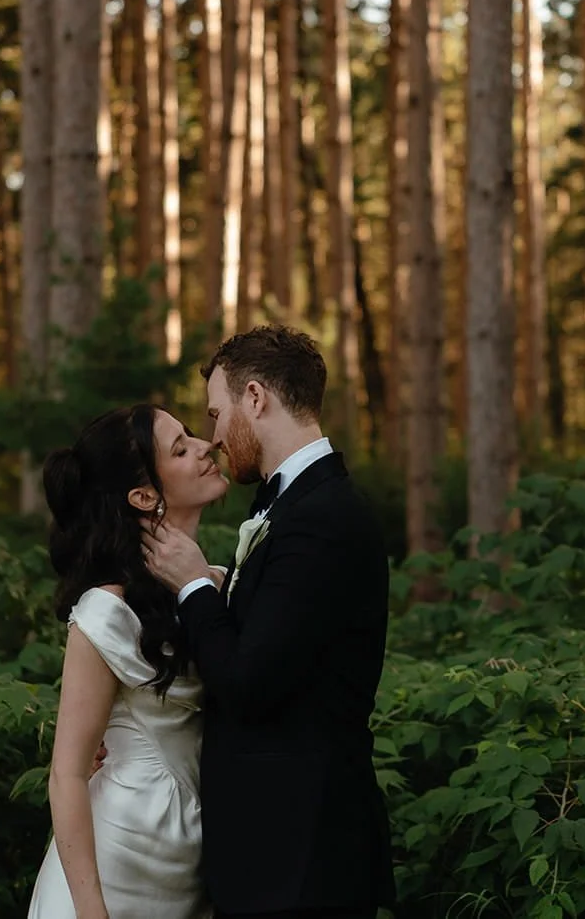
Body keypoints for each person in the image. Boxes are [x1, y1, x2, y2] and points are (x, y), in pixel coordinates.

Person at [141, 325, 395, 919]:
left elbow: (248, 684)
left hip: (302, 854)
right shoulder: (288, 505)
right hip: (277, 850)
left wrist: (195, 587)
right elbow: (277, 645)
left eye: (215, 413)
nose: (213, 438)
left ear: (255, 398)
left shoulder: (321, 518)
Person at [27, 404, 230, 919]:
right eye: (181, 448)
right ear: (143, 496)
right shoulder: (107, 612)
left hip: (187, 862)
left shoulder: (217, 589)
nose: (206, 446)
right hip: (116, 863)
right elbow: (67, 775)